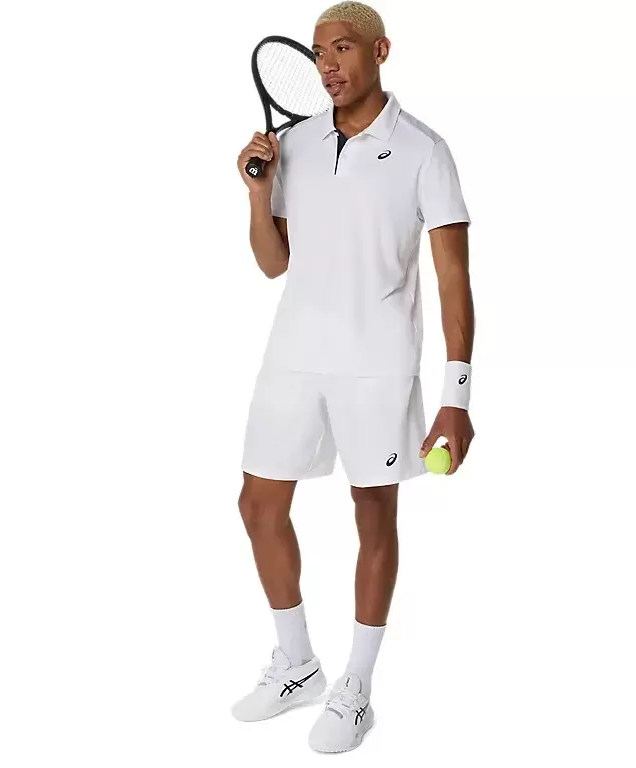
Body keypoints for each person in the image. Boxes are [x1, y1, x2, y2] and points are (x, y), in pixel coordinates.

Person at [231, 1, 475, 753]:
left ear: (380, 52)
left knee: (373, 514)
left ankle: (357, 687)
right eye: (318, 53)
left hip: (378, 362)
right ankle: (298, 664)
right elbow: (274, 263)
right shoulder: (295, 144)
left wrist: (456, 398)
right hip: (294, 353)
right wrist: (257, 193)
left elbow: (454, 281)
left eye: (342, 48)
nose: (328, 65)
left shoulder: (425, 151)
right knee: (257, 504)